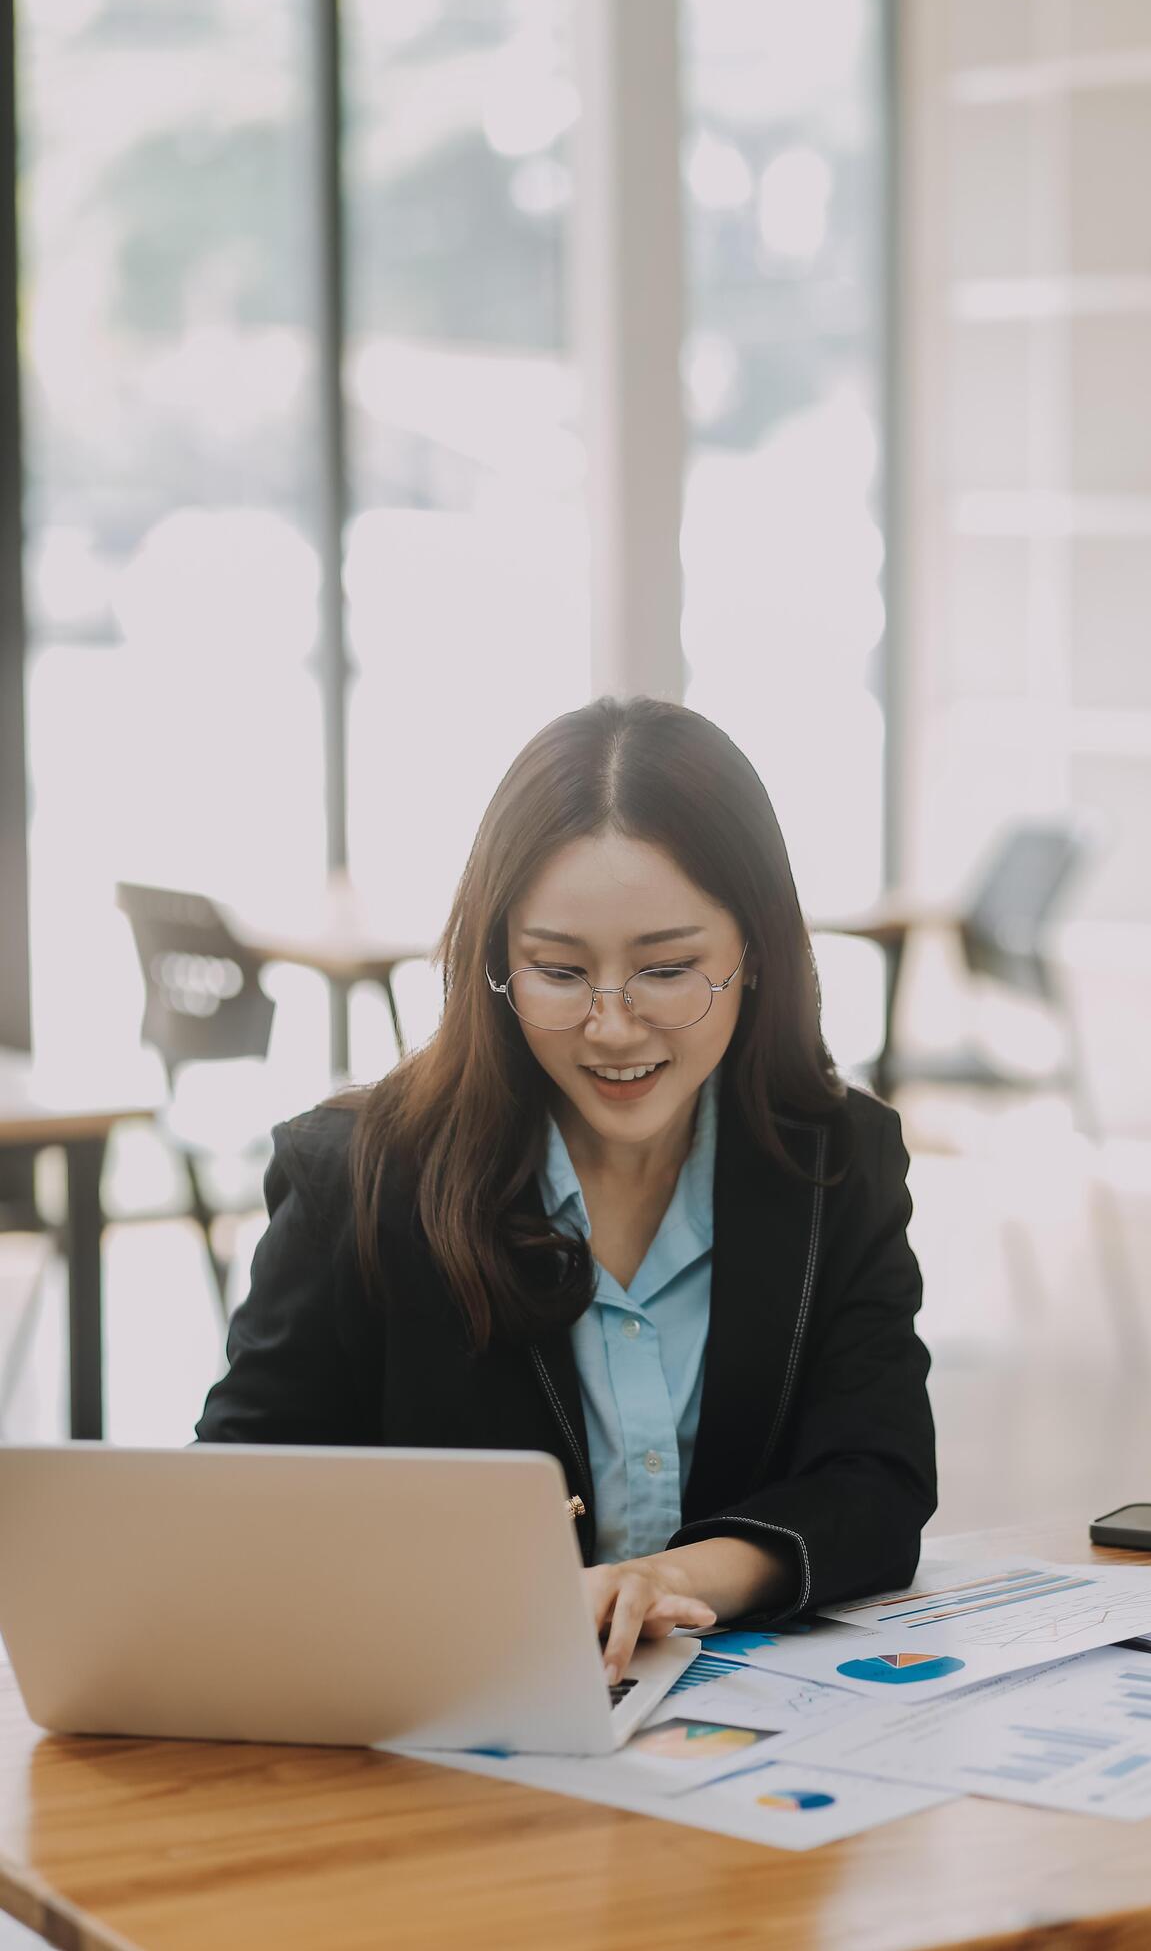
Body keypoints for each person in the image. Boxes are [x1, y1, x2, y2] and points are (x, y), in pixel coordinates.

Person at [195, 696, 935, 1683]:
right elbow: (232, 1506)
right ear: (496, 957)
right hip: (434, 1738)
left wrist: (668, 1581)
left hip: (736, 1754)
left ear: (751, 953)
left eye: (668, 968)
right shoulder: (359, 1178)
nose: (612, 1024)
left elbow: (877, 1481)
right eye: (557, 969)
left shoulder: (836, 1161)